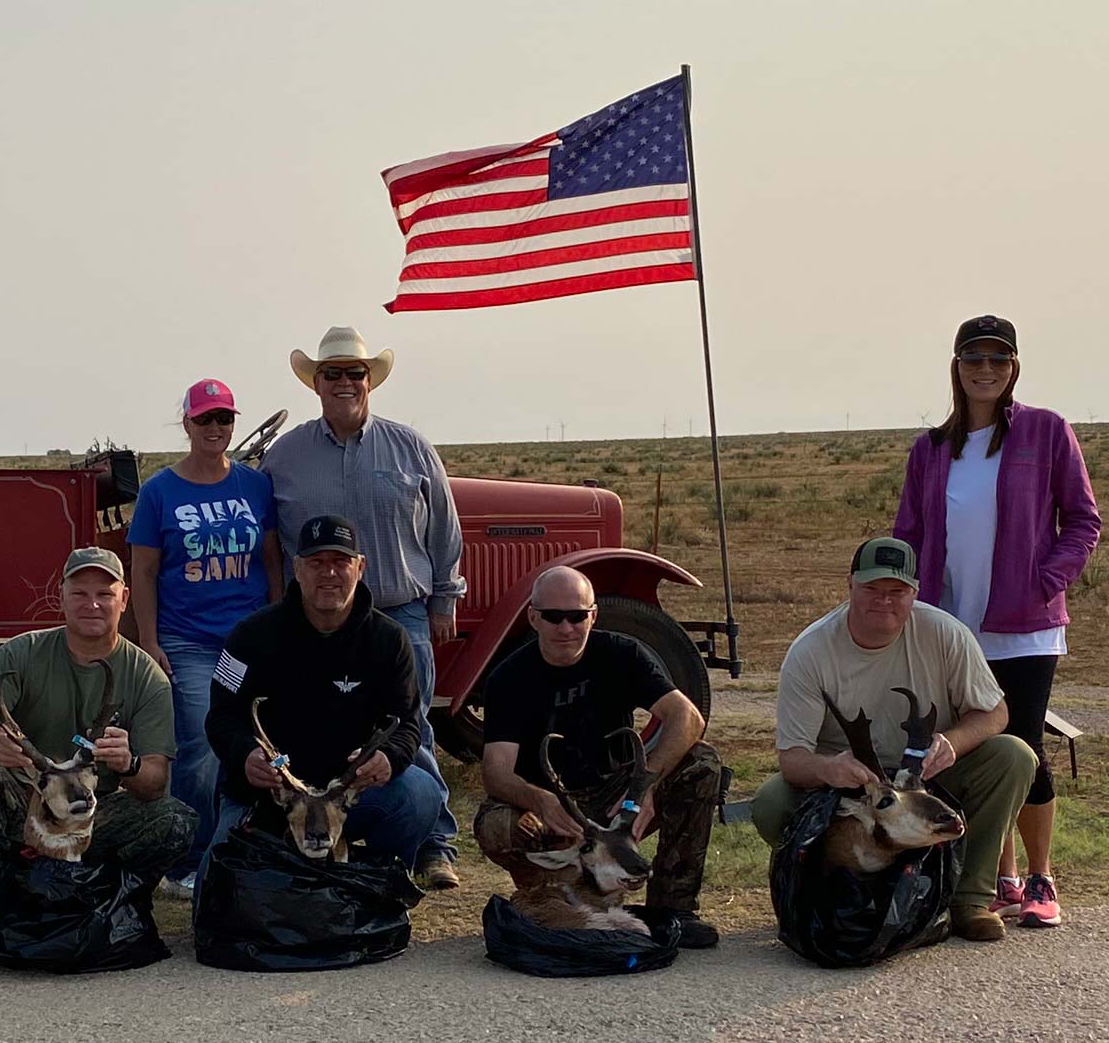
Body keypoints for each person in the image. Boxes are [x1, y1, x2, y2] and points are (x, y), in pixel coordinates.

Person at [894, 314, 1101, 929]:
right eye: (973, 359)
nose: (986, 370)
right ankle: (1000, 877)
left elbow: (1083, 521)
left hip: (1024, 626)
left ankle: (1040, 875)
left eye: (998, 360)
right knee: (973, 750)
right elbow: (909, 531)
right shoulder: (930, 449)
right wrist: (906, 599)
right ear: (956, 368)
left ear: (1014, 368)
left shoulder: (1045, 432)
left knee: (1026, 746)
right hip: (950, 624)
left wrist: (1045, 580)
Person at [750, 537, 1038, 943]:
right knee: (771, 802)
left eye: (897, 592)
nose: (884, 601)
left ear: (914, 593)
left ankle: (969, 899)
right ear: (849, 585)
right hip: (855, 788)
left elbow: (995, 712)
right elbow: (792, 758)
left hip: (929, 776)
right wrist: (830, 769)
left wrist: (953, 742)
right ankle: (838, 894)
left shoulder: (945, 634)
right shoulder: (811, 652)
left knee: (1013, 756)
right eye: (871, 589)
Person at [260, 325, 465, 889]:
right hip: (314, 622)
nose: (345, 382)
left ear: (369, 380)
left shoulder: (410, 446)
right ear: (316, 384)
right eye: (333, 374)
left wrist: (446, 593)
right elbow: (270, 539)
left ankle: (434, 843)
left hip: (400, 613)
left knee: (412, 731)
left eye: (355, 372)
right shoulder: (286, 455)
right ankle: (316, 830)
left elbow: (445, 526)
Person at [473, 565, 725, 948]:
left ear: (593, 615)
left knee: (701, 764)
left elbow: (687, 717)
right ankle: (549, 898)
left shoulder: (622, 654)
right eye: (554, 617)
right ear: (533, 618)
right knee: (497, 824)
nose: (566, 628)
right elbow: (496, 773)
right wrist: (538, 799)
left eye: (576, 616)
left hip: (617, 795)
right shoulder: (509, 677)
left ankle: (674, 906)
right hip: (554, 807)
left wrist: (647, 785)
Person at [0, 547, 193, 903]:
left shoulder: (147, 676)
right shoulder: (21, 653)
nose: (92, 604)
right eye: (79, 593)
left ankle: (113, 900)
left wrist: (129, 765)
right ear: (60, 597)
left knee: (176, 820)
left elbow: (155, 782)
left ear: (123, 599)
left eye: (104, 594)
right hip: (30, 801)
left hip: (93, 809)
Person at [204, 516, 440, 873]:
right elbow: (220, 716)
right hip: (270, 799)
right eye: (316, 563)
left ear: (360, 567)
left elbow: (406, 723)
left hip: (347, 796)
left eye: (339, 562)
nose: (328, 573)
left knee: (419, 796)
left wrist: (389, 757)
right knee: (215, 898)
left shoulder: (390, 640)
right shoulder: (249, 636)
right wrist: (245, 755)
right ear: (297, 569)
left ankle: (375, 879)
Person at [128, 379, 284, 896]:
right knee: (200, 742)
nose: (216, 429)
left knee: (258, 738)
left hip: (247, 639)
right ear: (188, 425)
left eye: (225, 419)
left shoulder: (254, 486)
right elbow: (144, 573)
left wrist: (280, 622)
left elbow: (270, 560)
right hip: (189, 640)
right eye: (205, 420)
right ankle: (187, 861)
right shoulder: (159, 492)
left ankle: (242, 842)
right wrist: (150, 642)